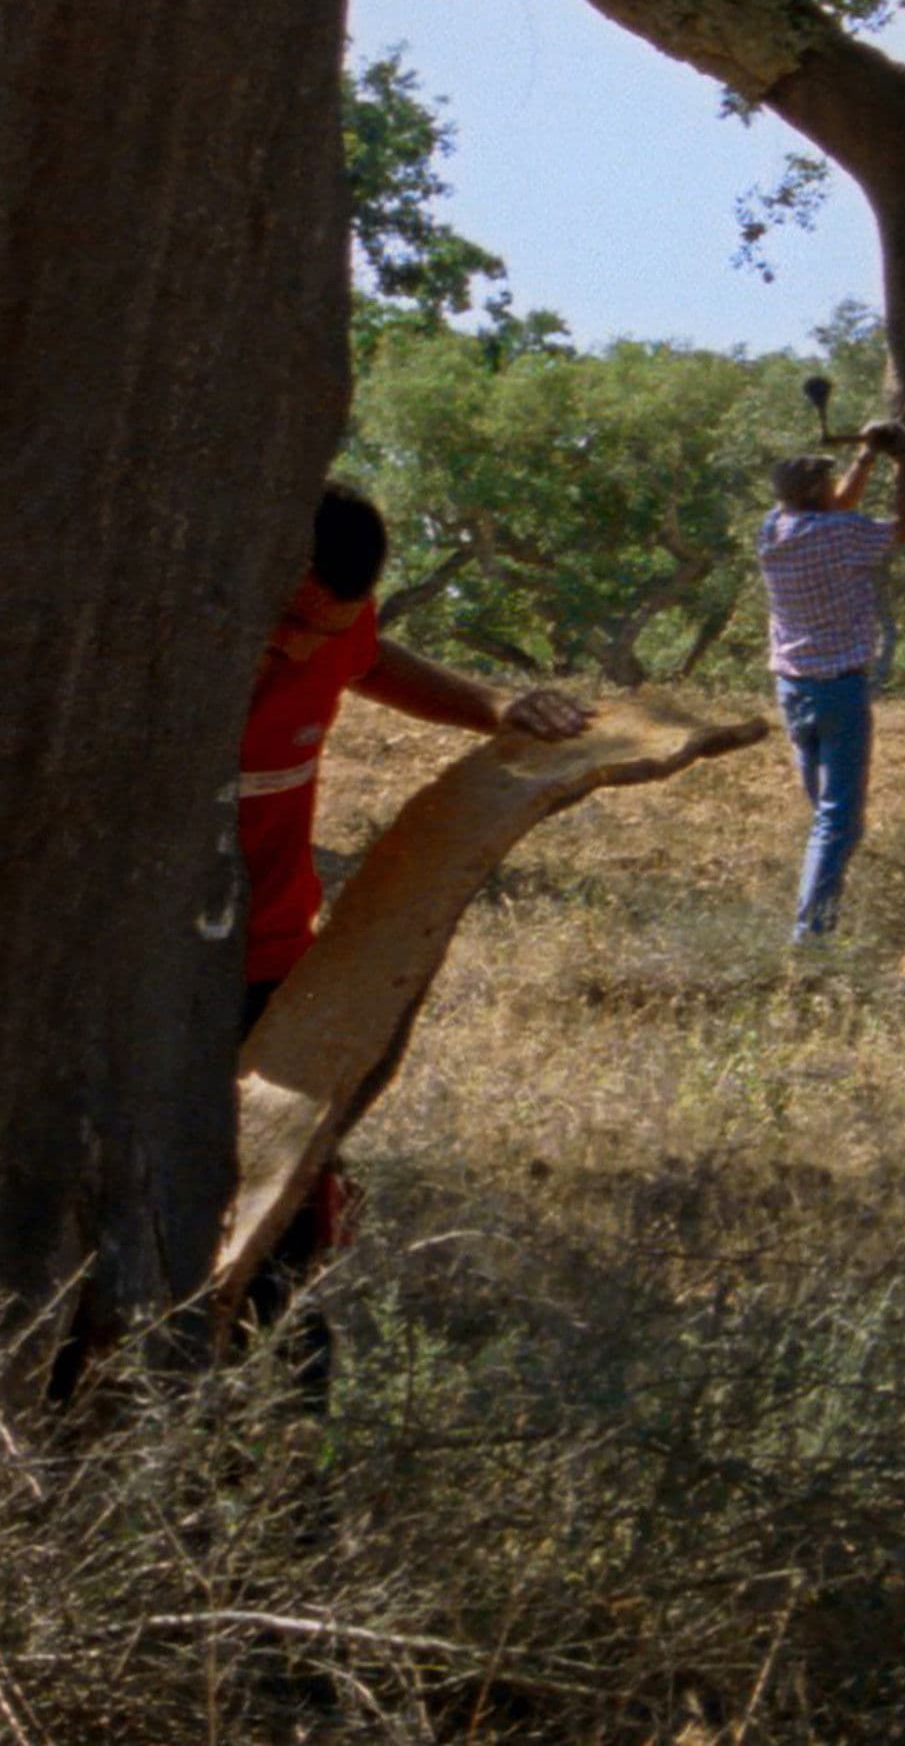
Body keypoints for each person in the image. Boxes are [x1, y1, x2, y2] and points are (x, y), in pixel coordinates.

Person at [234, 481, 587, 1378]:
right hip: (147, 972)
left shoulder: (326, 630)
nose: (296, 651)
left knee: (282, 1219)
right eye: (284, 622)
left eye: (320, 632)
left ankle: (282, 1434)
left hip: (273, 962)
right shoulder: (172, 635)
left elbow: (369, 658)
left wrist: (492, 706)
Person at [756, 420, 905, 941]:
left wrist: (866, 459)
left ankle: (818, 909)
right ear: (816, 495)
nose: (836, 493)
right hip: (838, 690)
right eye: (828, 486)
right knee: (838, 820)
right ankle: (811, 937)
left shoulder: (774, 529)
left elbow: (839, 506)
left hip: (793, 689)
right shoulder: (840, 534)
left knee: (825, 813)